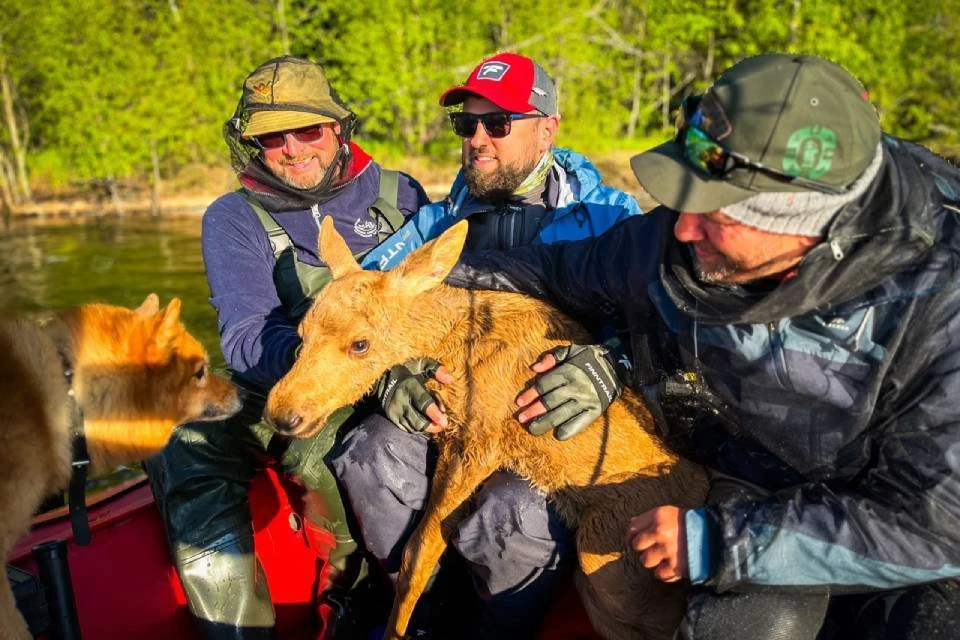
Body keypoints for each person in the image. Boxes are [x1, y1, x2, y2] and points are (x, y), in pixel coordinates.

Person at [446, 53, 960, 639]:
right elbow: (551, 270)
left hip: (888, 525)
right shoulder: (677, 240)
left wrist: (719, 542)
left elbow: (936, 523)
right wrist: (401, 294)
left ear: (804, 219)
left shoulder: (939, 300)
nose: (684, 230)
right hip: (736, 473)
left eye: (714, 213)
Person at [329, 52, 642, 638]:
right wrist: (391, 376)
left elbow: (660, 323)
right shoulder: (433, 228)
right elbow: (357, 304)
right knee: (367, 451)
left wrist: (613, 364)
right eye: (465, 125)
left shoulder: (611, 218)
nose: (477, 139)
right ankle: (422, 614)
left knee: (510, 511)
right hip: (449, 418)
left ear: (546, 129)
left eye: (497, 124)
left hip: (546, 434)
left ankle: (501, 627)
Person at [144, 56, 429, 639]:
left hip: (406, 377)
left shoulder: (402, 196)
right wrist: (345, 371)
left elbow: (434, 310)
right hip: (288, 376)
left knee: (330, 447)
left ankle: (362, 583)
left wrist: (403, 372)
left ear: (338, 129)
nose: (293, 148)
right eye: (271, 136)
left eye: (308, 131)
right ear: (252, 144)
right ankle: (246, 624)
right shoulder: (232, 218)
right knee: (185, 431)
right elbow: (247, 339)